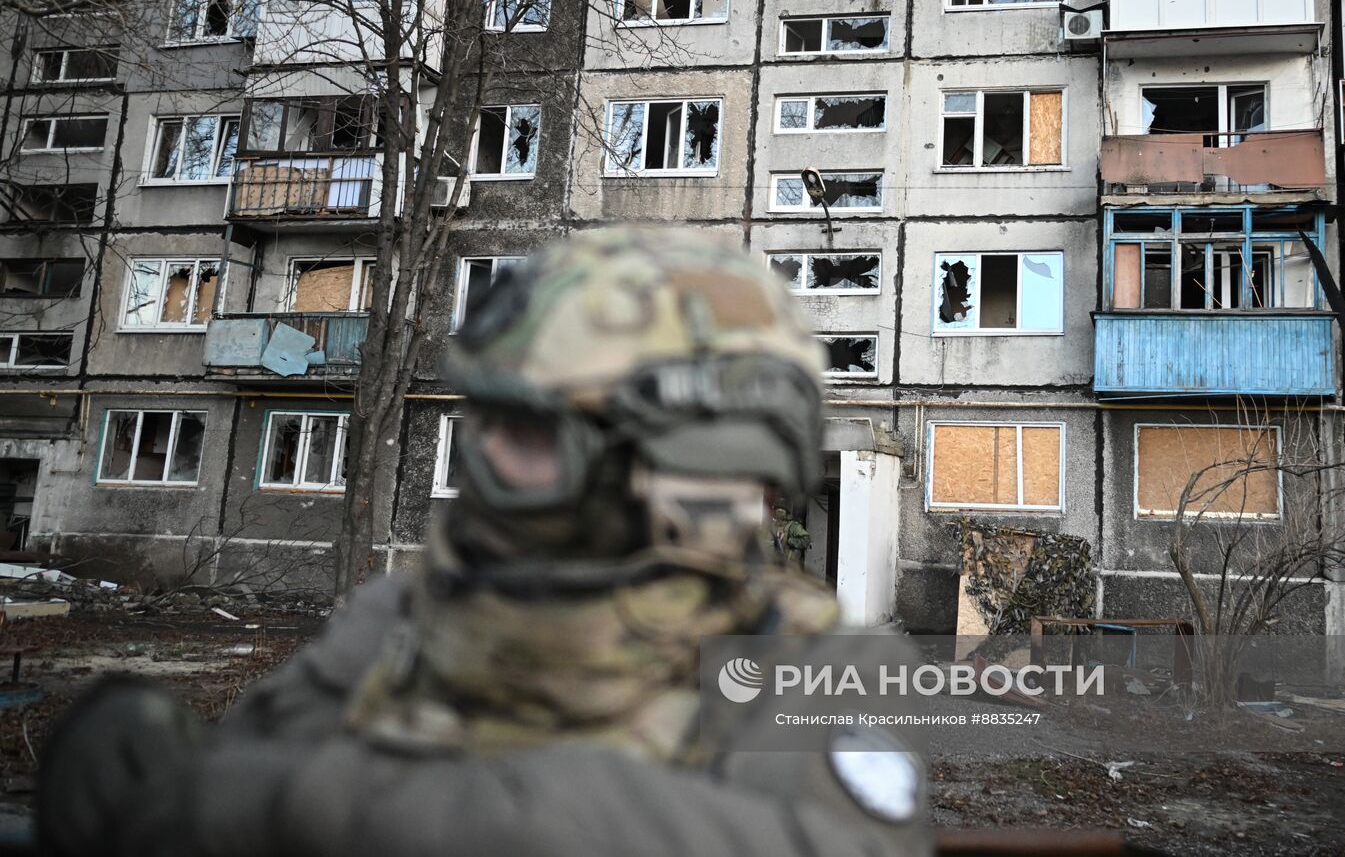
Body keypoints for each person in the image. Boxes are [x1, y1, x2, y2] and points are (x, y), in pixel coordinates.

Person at [37, 229, 932, 857]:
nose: (485, 456)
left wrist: (329, 804)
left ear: (683, 458)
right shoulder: (414, 612)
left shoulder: (813, 664)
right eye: (491, 421)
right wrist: (159, 777)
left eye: (532, 433)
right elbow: (248, 774)